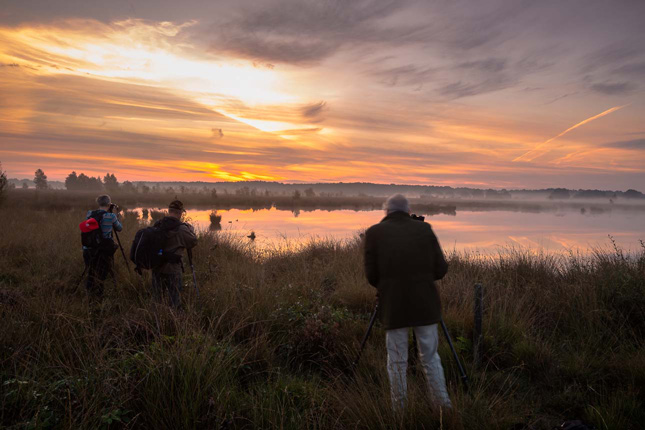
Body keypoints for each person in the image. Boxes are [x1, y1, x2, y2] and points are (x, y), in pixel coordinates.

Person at [363, 194, 451, 411]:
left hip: (394, 307)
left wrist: (390, 285)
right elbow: (441, 269)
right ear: (407, 210)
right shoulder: (425, 229)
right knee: (430, 357)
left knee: (396, 361)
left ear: (387, 211)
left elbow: (371, 276)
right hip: (426, 306)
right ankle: (443, 408)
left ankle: (399, 412)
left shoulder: (374, 233)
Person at [151, 200, 197, 308]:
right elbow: (193, 242)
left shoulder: (158, 224)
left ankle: (156, 319)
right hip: (173, 269)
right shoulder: (182, 228)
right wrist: (192, 231)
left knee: (157, 298)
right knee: (174, 298)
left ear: (169, 211)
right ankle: (174, 320)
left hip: (157, 266)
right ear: (180, 213)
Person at [83, 194, 122, 303]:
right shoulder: (111, 216)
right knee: (101, 275)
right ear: (109, 204)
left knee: (91, 272)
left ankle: (89, 297)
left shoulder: (89, 214)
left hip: (89, 249)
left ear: (98, 203)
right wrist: (117, 216)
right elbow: (119, 228)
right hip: (103, 251)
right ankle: (99, 298)